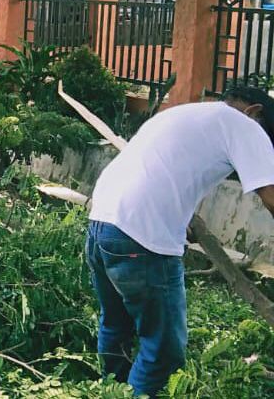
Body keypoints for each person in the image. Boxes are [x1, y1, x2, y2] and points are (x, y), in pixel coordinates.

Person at [85, 87, 274, 396]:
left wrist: (180, 216)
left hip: (102, 224)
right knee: (164, 350)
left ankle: (111, 391)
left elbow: (159, 168)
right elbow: (271, 197)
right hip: (143, 239)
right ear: (255, 112)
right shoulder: (246, 125)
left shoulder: (187, 113)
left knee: (116, 326)